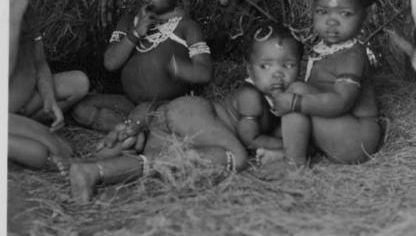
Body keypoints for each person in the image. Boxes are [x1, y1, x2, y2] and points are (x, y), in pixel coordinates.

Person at [67, 24, 303, 203]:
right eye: (266, 66)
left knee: (154, 164)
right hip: (191, 112)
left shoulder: (282, 97)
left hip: (176, 125)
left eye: (288, 65)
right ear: (249, 69)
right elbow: (250, 138)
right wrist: (284, 148)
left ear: (300, 67)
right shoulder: (251, 95)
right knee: (237, 157)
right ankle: (96, 167)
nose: (277, 74)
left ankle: (92, 170)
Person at [71, 0, 212, 135]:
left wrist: (181, 69)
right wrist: (135, 33)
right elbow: (110, 63)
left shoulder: (186, 27)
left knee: (143, 113)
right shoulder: (129, 21)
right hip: (130, 103)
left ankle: (132, 131)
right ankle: (131, 130)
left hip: (165, 105)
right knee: (81, 108)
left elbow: (205, 72)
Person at [258, 0, 381, 168]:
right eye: (323, 12)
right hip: (336, 129)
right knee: (292, 100)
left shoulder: (352, 54)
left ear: (365, 15)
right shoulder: (324, 47)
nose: (331, 22)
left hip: (356, 140)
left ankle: (294, 164)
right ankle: (289, 150)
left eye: (345, 14)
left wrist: (295, 103)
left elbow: (342, 102)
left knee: (297, 93)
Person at [9, 0, 89, 170]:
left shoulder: (28, 13)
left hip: (23, 103)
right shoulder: (13, 15)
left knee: (79, 82)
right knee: (46, 150)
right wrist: (12, 23)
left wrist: (49, 97)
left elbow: (40, 62)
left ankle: (21, 125)